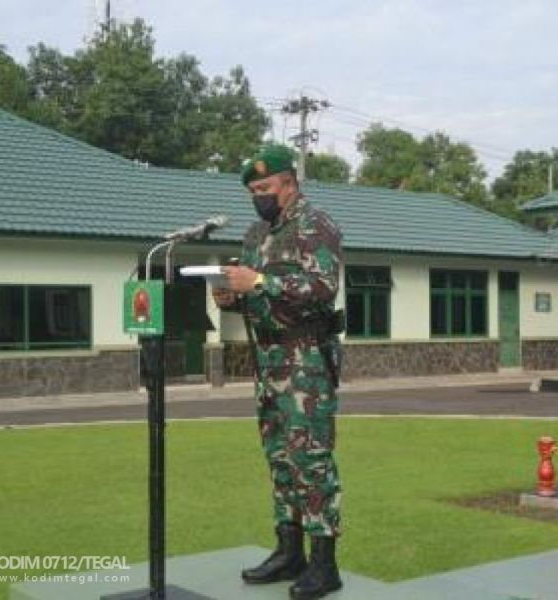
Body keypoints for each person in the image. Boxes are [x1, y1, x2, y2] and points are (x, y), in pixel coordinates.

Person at [213, 144, 344, 600]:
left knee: (311, 458)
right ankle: (289, 552)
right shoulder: (256, 233)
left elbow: (322, 287)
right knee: (279, 458)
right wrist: (232, 295)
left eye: (265, 188)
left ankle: (324, 565)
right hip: (268, 359)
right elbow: (254, 292)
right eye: (252, 190)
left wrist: (262, 281)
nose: (258, 196)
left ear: (289, 183)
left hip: (305, 358)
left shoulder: (316, 224)